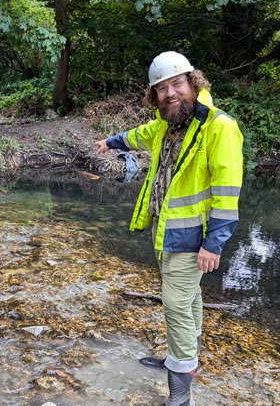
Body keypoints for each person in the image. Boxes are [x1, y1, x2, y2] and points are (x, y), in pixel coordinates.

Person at [95, 51, 243, 406]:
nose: (170, 94)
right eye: (161, 89)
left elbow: (227, 192)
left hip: (194, 238)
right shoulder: (167, 125)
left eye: (176, 84)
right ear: (154, 96)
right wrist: (111, 142)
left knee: (175, 305)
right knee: (188, 299)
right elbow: (140, 134)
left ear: (194, 82)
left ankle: (181, 396)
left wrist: (214, 244)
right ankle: (183, 357)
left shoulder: (219, 127)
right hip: (166, 230)